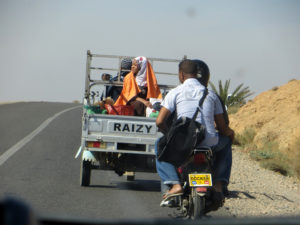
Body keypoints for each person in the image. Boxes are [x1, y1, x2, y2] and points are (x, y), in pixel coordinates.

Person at [155, 59, 234, 207]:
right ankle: (218, 184)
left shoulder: (174, 93)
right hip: (209, 142)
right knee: (226, 143)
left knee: (159, 145)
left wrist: (169, 135)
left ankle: (175, 185)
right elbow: (223, 127)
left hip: (183, 142)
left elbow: (159, 122)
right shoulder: (211, 94)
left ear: (181, 75)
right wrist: (231, 135)